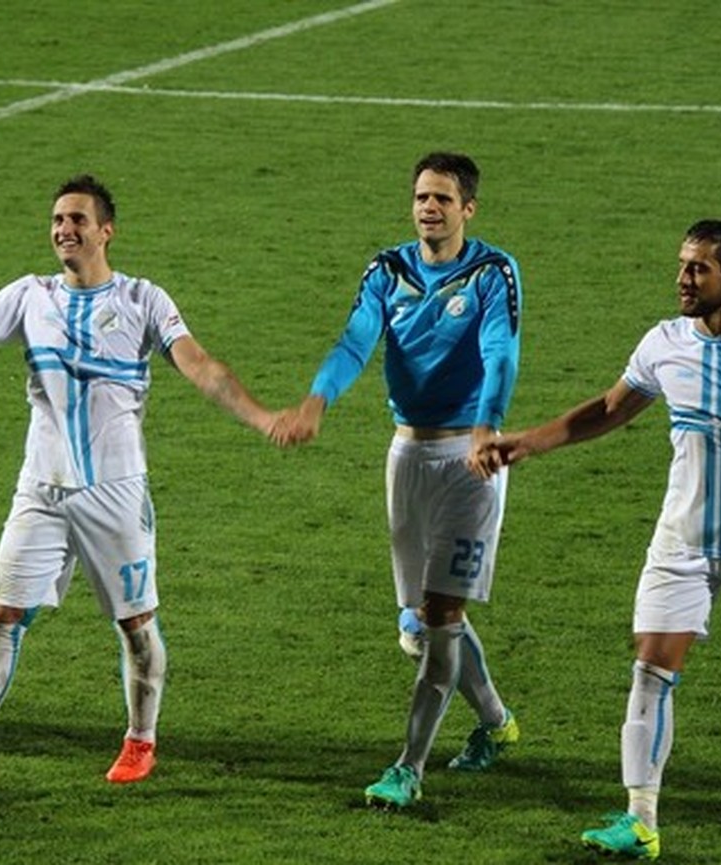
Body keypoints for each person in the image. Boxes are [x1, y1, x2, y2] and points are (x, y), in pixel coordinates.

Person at [0, 174, 277, 789]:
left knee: (135, 623)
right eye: (57, 221)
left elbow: (200, 367)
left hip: (115, 493)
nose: (64, 230)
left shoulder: (143, 300)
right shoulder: (30, 296)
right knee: (4, 614)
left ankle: (140, 739)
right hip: (40, 490)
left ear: (106, 231)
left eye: (76, 220)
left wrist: (262, 418)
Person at [476, 220, 721, 858]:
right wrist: (525, 443)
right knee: (650, 665)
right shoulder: (664, 344)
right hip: (681, 539)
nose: (683, 279)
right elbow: (609, 409)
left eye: (698, 269)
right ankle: (641, 820)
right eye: (682, 266)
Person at [272, 152, 523, 809]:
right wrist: (316, 399)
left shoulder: (493, 272)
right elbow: (357, 340)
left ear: (468, 208)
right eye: (420, 197)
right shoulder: (388, 269)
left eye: (442, 198)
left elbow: (501, 348)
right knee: (416, 626)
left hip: (471, 464)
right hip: (407, 455)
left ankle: (408, 767)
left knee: (441, 616)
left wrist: (487, 423)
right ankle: (496, 722)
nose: (427, 208)